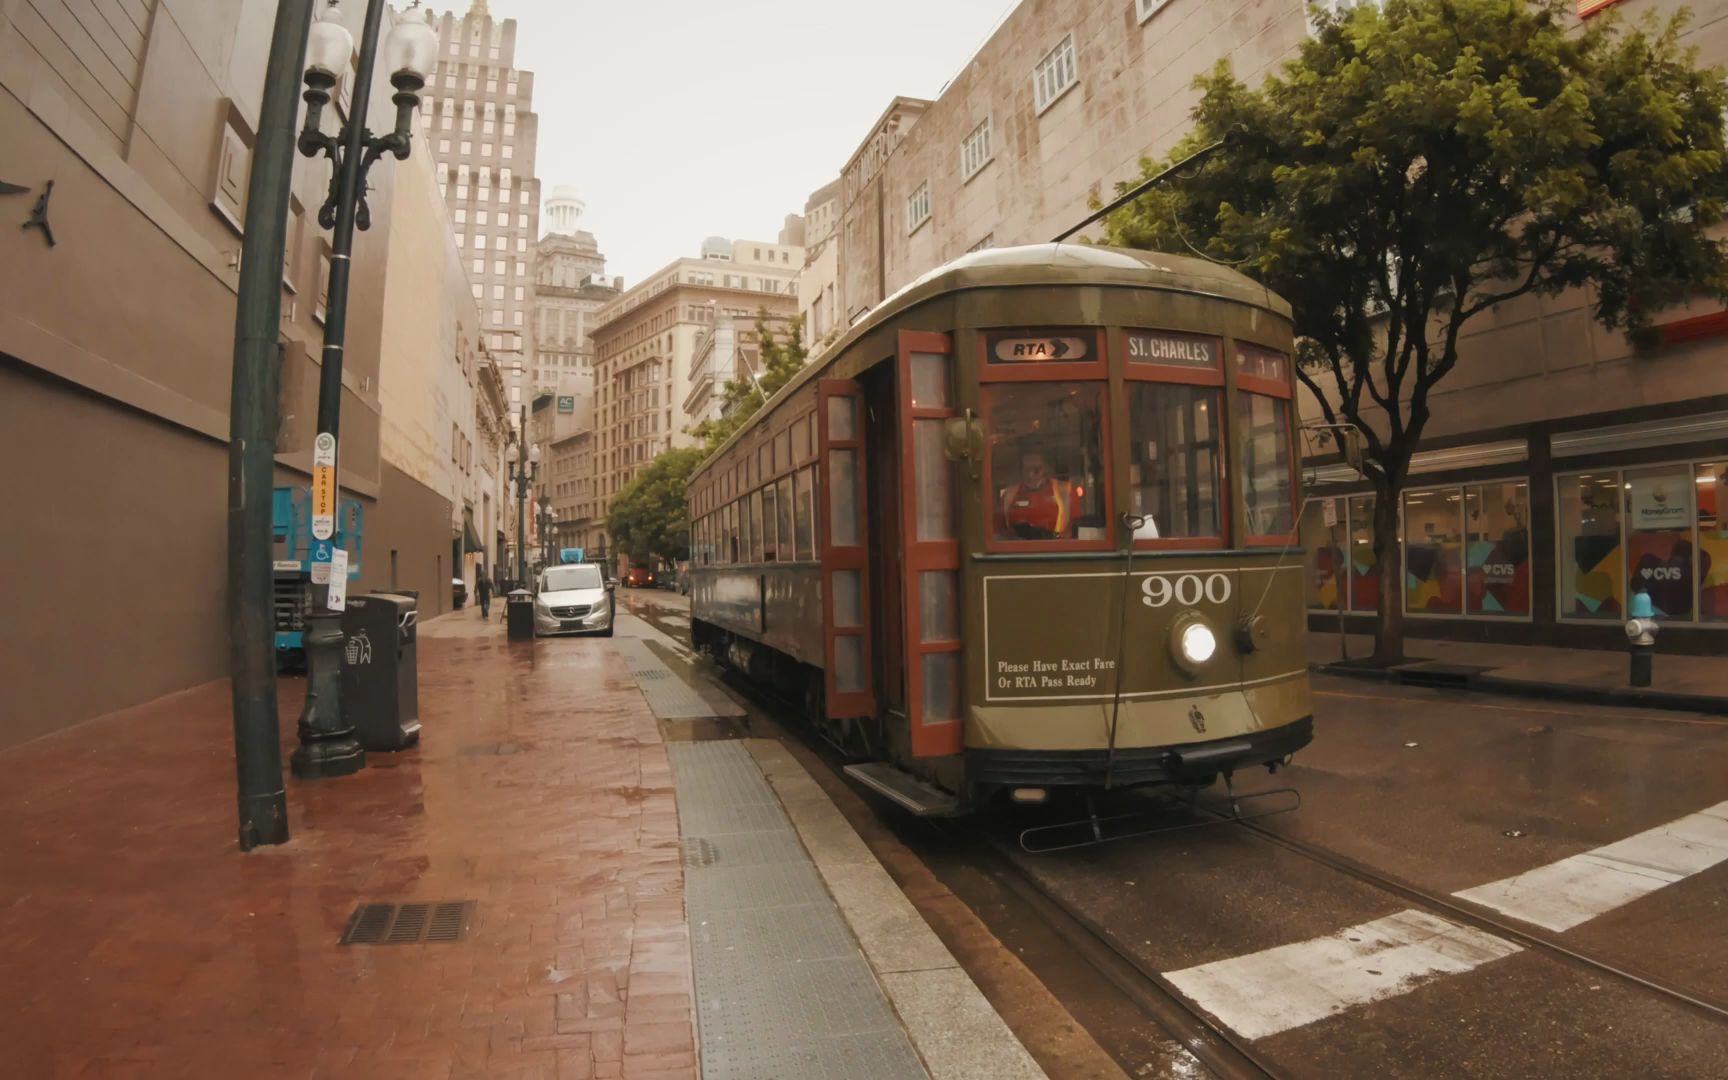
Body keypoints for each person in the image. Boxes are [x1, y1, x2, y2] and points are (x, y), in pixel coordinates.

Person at [997, 447, 1077, 540]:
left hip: (1056, 550)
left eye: (1036, 469)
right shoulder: (1009, 495)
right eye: (1026, 469)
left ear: (1046, 468)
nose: (1030, 475)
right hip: (1018, 551)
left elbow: (1075, 531)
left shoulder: (1066, 491)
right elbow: (999, 533)